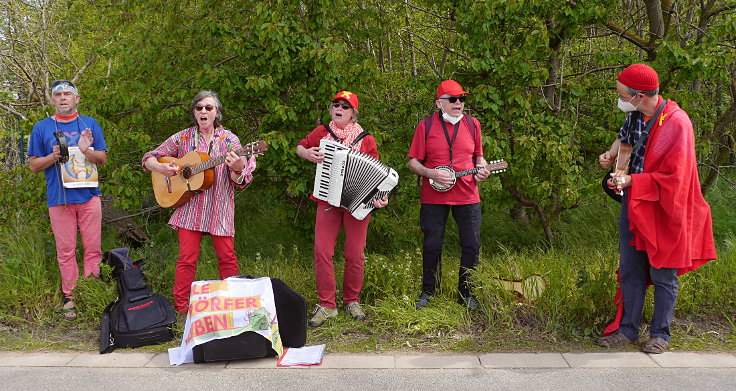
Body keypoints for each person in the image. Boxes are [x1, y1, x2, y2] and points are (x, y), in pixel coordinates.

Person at [597, 64, 716, 353]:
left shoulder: (677, 123)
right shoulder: (635, 114)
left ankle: (661, 334)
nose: (621, 99)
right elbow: (625, 141)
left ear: (638, 96)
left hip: (665, 209)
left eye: (623, 95)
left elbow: (675, 178)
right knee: (631, 269)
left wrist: (631, 180)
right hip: (634, 203)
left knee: (664, 272)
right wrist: (612, 155)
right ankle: (627, 330)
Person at [142, 91, 256, 316]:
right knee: (186, 259)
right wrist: (161, 167)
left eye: (209, 108)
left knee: (227, 257)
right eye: (199, 107)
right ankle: (181, 309)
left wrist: (238, 168)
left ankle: (234, 307)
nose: (203, 111)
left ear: (217, 113)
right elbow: (149, 157)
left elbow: (239, 180)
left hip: (219, 207)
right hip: (190, 208)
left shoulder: (229, 140)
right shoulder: (182, 138)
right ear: (194, 112)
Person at [296, 91, 389, 327]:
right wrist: (307, 153)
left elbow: (378, 174)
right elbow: (300, 147)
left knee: (355, 253)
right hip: (327, 199)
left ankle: (352, 300)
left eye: (345, 107)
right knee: (322, 251)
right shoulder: (321, 133)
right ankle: (327, 305)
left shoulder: (365, 139)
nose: (339, 109)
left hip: (357, 204)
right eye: (336, 105)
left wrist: (381, 197)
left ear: (353, 113)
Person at [407, 80, 491, 311]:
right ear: (439, 103)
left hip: (468, 194)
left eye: (461, 99)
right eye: (452, 99)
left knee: (472, 244)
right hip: (434, 196)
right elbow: (412, 162)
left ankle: (466, 293)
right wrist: (430, 172)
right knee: (432, 244)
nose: (458, 103)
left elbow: (479, 158)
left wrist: (482, 169)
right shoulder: (425, 125)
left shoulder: (473, 124)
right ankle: (428, 291)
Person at [28, 79, 107, 320]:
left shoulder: (89, 124)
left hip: (89, 196)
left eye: (68, 94)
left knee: (93, 248)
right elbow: (33, 166)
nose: (63, 98)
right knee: (65, 250)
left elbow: (102, 160)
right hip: (59, 199)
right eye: (58, 94)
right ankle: (71, 297)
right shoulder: (41, 128)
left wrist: (86, 150)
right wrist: (52, 156)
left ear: (77, 99)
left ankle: (91, 292)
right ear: (52, 100)